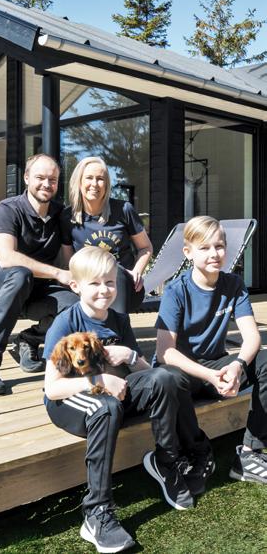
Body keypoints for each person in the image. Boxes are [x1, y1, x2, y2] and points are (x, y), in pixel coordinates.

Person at [43, 246, 208, 553]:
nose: (104, 290)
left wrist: (131, 355)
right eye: (95, 283)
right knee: (105, 406)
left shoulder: (119, 319)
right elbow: (52, 389)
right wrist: (99, 380)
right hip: (72, 401)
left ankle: (167, 463)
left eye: (110, 282)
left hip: (115, 394)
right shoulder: (66, 322)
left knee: (167, 376)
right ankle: (97, 512)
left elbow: (145, 373)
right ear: (76, 286)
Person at [156, 215, 267, 485]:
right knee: (170, 377)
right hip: (184, 374)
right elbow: (165, 352)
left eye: (219, 246)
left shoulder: (233, 285)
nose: (214, 254)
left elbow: (252, 337)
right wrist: (209, 375)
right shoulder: (176, 290)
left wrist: (238, 365)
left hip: (218, 367)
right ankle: (195, 451)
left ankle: (249, 453)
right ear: (188, 252)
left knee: (265, 360)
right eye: (204, 248)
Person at [0, 154, 79, 396]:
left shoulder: (59, 214)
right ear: (27, 178)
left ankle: (30, 338)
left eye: (52, 180)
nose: (46, 184)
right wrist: (58, 273)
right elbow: (7, 258)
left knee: (74, 304)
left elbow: (67, 260)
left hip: (35, 293)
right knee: (20, 274)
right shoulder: (8, 208)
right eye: (40, 177)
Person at [60, 156, 153, 314]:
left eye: (100, 179)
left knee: (116, 271)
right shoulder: (67, 217)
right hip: (89, 288)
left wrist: (136, 272)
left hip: (122, 285)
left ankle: (117, 328)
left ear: (107, 184)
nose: (95, 184)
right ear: (79, 182)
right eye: (89, 178)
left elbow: (145, 247)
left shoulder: (124, 210)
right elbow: (70, 263)